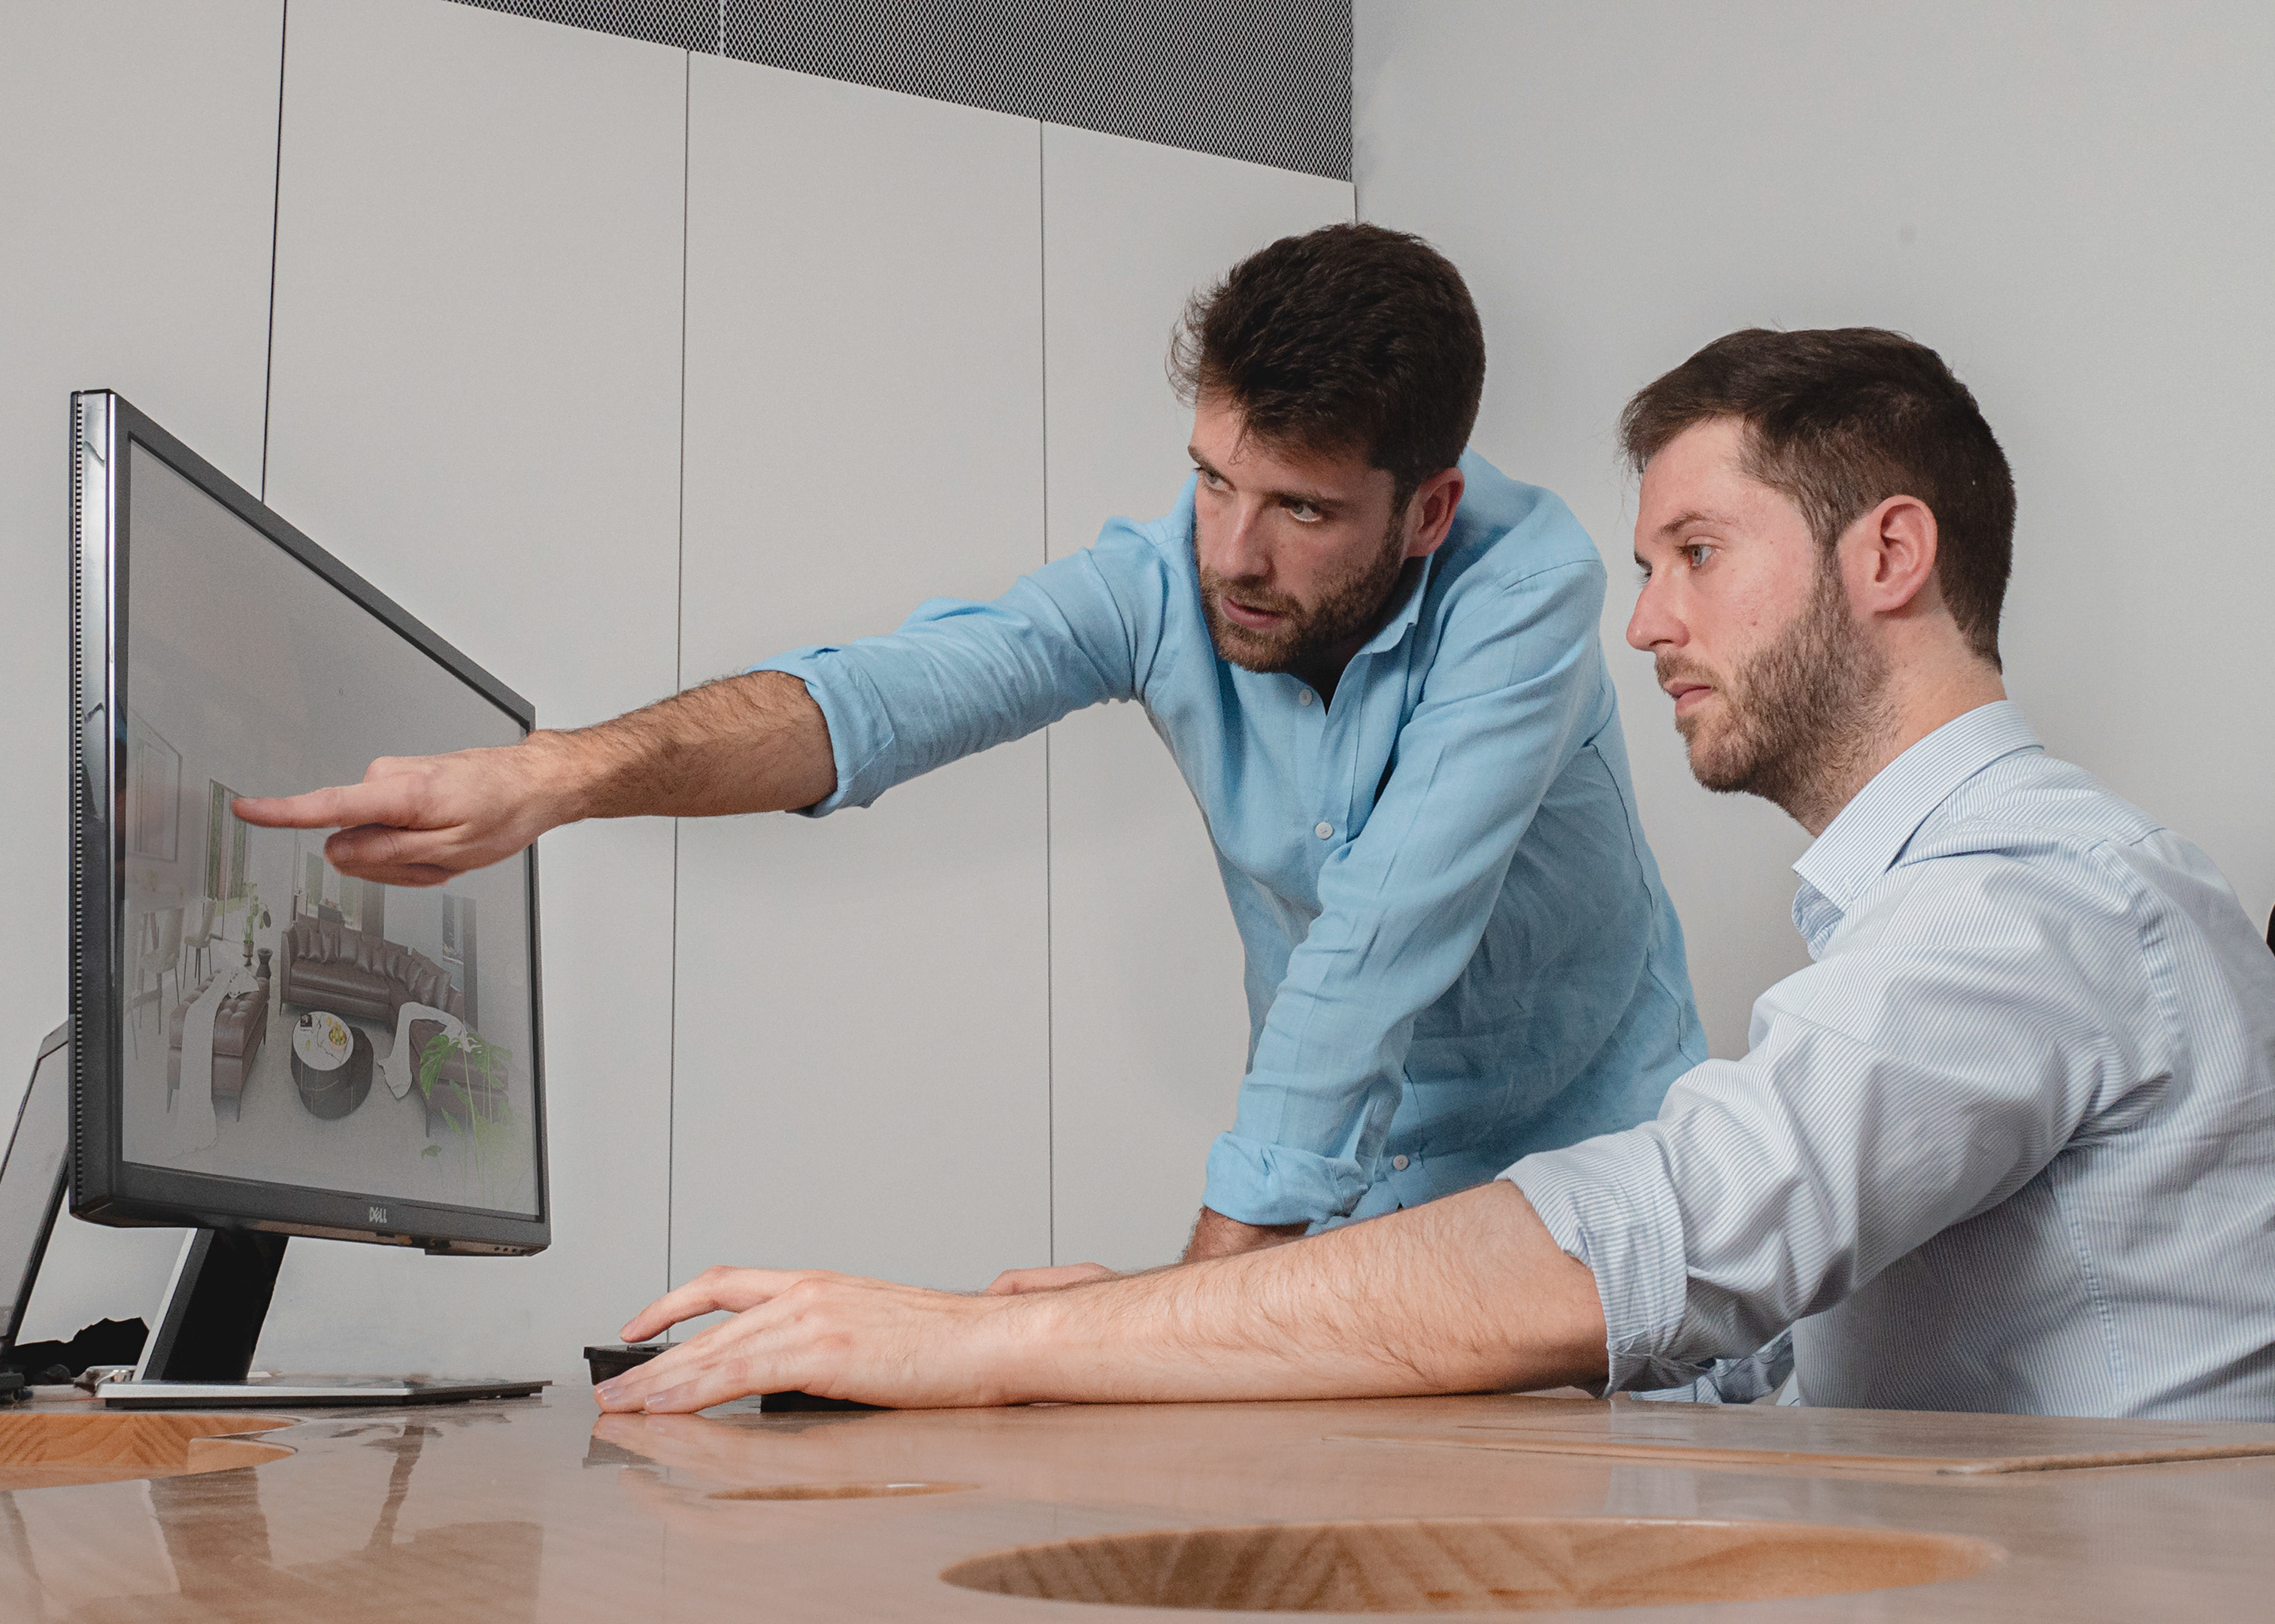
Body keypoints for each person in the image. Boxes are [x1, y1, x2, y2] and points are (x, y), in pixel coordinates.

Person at [590, 326, 2275, 1420]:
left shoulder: (2030, 905)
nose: (1646, 623)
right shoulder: (1925, 915)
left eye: (1696, 555)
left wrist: (994, 1342)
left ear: (1888, 553)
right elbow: (1769, 1363)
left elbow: (1644, 1243)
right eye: (1645, 565)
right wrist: (1184, 1328)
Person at [241, 224, 1704, 1266]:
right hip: (1354, 1218)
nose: (1230, 555)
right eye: (1211, 481)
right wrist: (561, 776)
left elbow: (1375, 939)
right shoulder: (1167, 577)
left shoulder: (1525, 591)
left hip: (1594, 1190)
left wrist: (1174, 1324)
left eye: (1300, 512)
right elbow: (890, 696)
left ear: (1426, 511)